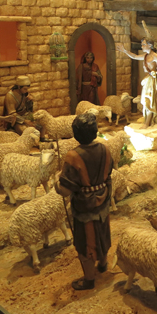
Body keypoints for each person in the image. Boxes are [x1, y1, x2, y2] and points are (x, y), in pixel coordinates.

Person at [54, 113, 113, 291]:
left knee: (86, 244)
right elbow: (109, 173)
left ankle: (89, 280)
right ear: (95, 131)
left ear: (76, 134)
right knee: (103, 235)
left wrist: (56, 182)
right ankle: (103, 265)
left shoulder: (73, 157)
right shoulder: (105, 149)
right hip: (103, 202)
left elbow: (65, 190)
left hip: (85, 209)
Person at [117, 39, 157, 128]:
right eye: (142, 44)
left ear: (150, 45)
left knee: (149, 102)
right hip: (146, 81)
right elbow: (134, 56)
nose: (142, 46)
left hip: (152, 82)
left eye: (143, 44)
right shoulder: (145, 56)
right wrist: (125, 51)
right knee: (145, 102)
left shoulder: (156, 56)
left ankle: (147, 123)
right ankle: (147, 121)